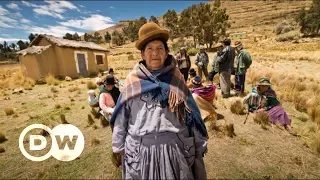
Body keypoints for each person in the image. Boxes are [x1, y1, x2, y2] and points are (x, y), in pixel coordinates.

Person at [110, 22, 208, 180]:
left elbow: (192, 114)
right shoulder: (132, 81)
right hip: (140, 153)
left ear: (167, 52)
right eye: (149, 48)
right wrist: (118, 146)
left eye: (159, 48)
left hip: (175, 151)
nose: (154, 53)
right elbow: (122, 117)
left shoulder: (176, 79)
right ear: (142, 54)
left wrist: (200, 142)